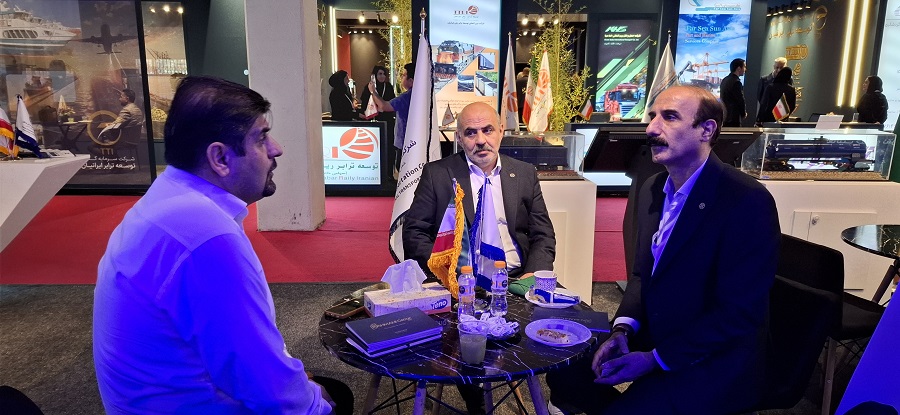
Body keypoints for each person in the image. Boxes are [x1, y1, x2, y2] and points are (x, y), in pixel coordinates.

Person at [93, 76, 352, 414]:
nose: (276, 149)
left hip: (156, 399)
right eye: (261, 137)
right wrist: (318, 406)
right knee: (336, 399)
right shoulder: (205, 235)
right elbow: (267, 385)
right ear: (220, 158)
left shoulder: (167, 198)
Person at [546, 85, 780, 414]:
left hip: (715, 360)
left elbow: (737, 314)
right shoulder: (652, 188)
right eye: (652, 116)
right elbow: (642, 275)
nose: (651, 128)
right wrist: (622, 329)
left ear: (706, 130)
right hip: (658, 333)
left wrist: (655, 360)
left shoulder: (745, 200)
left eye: (669, 117)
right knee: (563, 367)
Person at [404, 101, 556, 280]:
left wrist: (532, 274)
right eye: (470, 133)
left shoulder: (525, 173)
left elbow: (543, 234)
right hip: (460, 279)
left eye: (488, 130)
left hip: (517, 277)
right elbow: (415, 233)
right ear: (459, 138)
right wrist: (449, 272)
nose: (481, 140)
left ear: (501, 131)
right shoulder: (437, 175)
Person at [368, 62, 414, 151]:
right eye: (379, 74)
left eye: (404, 75)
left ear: (411, 80)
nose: (401, 78)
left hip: (405, 143)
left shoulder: (405, 96)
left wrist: (373, 92)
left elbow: (385, 106)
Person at [719, 58, 747, 127]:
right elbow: (740, 100)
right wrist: (743, 113)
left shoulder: (725, 80)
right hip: (733, 118)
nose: (745, 70)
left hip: (724, 116)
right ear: (739, 68)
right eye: (744, 67)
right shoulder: (736, 82)